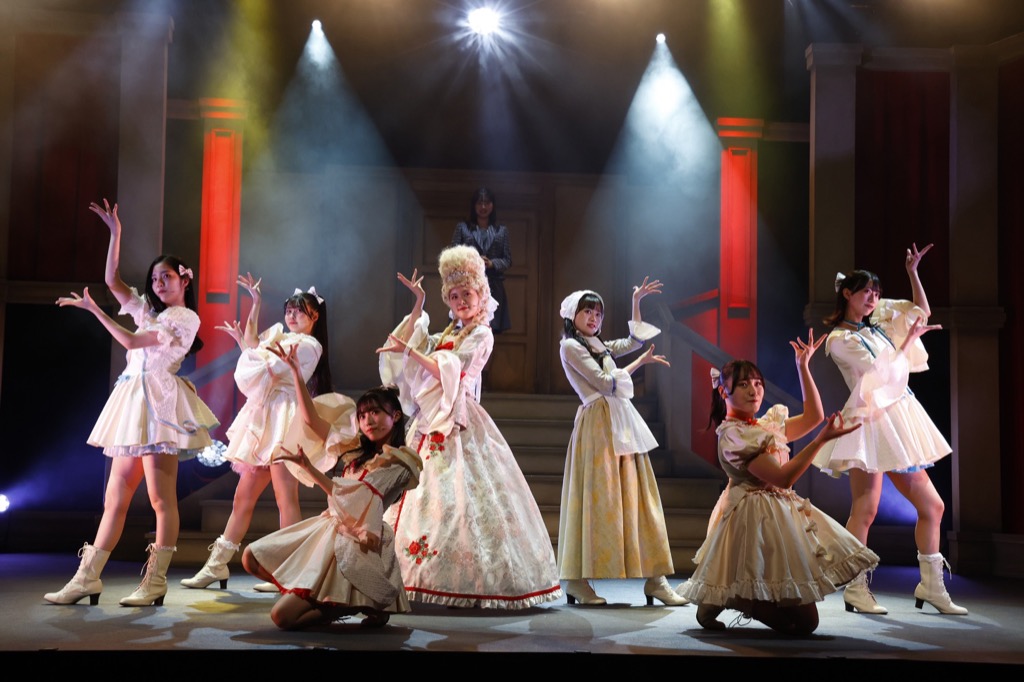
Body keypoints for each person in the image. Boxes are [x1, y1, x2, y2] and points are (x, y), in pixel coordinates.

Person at [45, 199, 218, 607]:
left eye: (166, 277)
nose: (158, 283)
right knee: (115, 496)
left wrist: (95, 312)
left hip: (159, 403)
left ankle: (155, 581)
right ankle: (87, 578)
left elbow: (132, 341)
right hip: (133, 400)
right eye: (154, 278)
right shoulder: (149, 313)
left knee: (160, 498)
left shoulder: (183, 318)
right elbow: (112, 280)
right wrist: (115, 233)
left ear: (184, 281)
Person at [376, 245, 562, 608]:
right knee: (423, 495)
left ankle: (465, 579)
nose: (461, 301)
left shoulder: (481, 335)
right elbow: (416, 344)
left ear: (481, 295)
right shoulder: (450, 331)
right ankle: (412, 576)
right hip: (431, 421)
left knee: (462, 501)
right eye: (454, 296)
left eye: (467, 294)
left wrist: (414, 353)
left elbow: (452, 370)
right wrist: (418, 304)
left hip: (459, 419)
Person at [676, 338, 877, 635]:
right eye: (743, 384)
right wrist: (820, 441)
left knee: (807, 624)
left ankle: (732, 597)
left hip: (778, 515)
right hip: (751, 518)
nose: (753, 390)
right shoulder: (735, 436)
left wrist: (802, 366)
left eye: (758, 383)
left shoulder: (763, 427)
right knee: (793, 624)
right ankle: (733, 598)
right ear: (723, 391)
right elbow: (783, 478)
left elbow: (814, 417)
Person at [815, 243, 966, 615]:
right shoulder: (840, 340)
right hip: (870, 422)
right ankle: (856, 588)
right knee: (866, 509)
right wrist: (909, 341)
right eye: (866, 291)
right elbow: (877, 374)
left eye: (877, 292)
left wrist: (913, 273)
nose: (873, 298)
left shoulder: (878, 327)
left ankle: (931, 586)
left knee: (933, 506)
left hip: (898, 419)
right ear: (847, 293)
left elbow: (920, 312)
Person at [242, 345, 420, 629]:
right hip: (328, 530)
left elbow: (358, 497)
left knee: (282, 618)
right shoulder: (353, 450)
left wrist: (310, 468)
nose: (368, 420)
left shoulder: (400, 462)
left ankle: (343, 605)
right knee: (250, 558)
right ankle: (329, 599)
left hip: (358, 542)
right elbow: (312, 421)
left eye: (375, 412)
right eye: (362, 415)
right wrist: (296, 374)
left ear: (395, 416)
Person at [182, 282, 331, 592]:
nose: (291, 316)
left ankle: (288, 572)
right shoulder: (283, 339)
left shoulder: (309, 345)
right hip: (265, 417)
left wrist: (250, 350)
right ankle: (217, 565)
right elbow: (256, 354)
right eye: (289, 311)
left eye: (299, 311)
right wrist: (256, 303)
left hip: (285, 418)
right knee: (242, 497)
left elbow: (263, 364)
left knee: (284, 496)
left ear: (314, 316)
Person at [556, 281, 687, 606]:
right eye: (588, 311)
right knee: (598, 500)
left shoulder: (599, 344)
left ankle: (656, 579)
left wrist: (635, 301)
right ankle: (576, 580)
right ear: (573, 315)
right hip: (598, 424)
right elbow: (604, 383)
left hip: (621, 422)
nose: (594, 317)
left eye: (598, 313)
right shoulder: (570, 347)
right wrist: (639, 364)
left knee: (640, 496)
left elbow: (633, 340)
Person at [451, 187, 511, 333]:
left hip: (493, 287)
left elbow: (507, 260)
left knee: (489, 331)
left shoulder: (501, 231)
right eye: (479, 203)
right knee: (465, 328)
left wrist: (492, 263)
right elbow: (453, 256)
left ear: (492, 205)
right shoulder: (463, 228)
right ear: (474, 205)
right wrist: (472, 262)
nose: (483, 207)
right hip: (467, 286)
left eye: (487, 203)